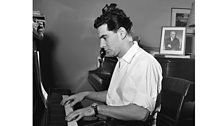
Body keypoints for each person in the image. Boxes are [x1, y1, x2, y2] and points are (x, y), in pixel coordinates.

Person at [61, 3, 162, 124]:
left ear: (122, 33)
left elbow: (141, 112)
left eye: (105, 38)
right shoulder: (122, 60)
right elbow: (115, 96)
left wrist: (96, 109)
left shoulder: (144, 63)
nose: (101, 45)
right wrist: (85, 94)